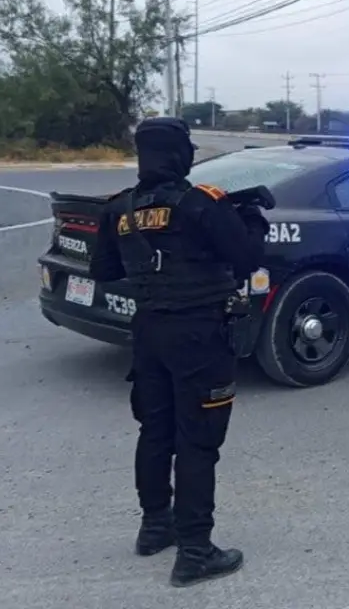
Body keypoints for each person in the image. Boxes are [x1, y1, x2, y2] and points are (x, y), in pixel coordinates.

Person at [89, 116, 268, 588]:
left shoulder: (118, 209)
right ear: (180, 153)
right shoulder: (200, 203)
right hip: (199, 336)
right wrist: (251, 218)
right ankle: (195, 551)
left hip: (148, 334)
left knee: (156, 431)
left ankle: (154, 528)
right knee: (199, 441)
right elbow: (248, 258)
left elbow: (103, 269)